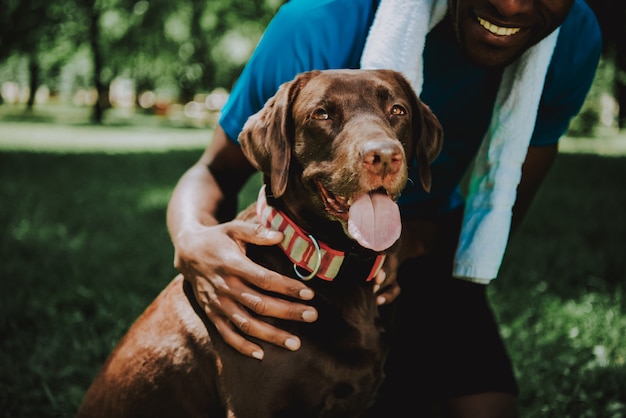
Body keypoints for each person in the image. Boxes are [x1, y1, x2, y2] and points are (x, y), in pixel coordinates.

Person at [166, 0, 602, 416]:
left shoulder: (571, 37)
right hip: (305, 246)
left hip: (423, 242)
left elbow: (499, 214)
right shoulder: (316, 24)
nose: (511, 7)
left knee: (481, 410)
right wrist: (191, 239)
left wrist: (412, 240)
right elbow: (213, 171)